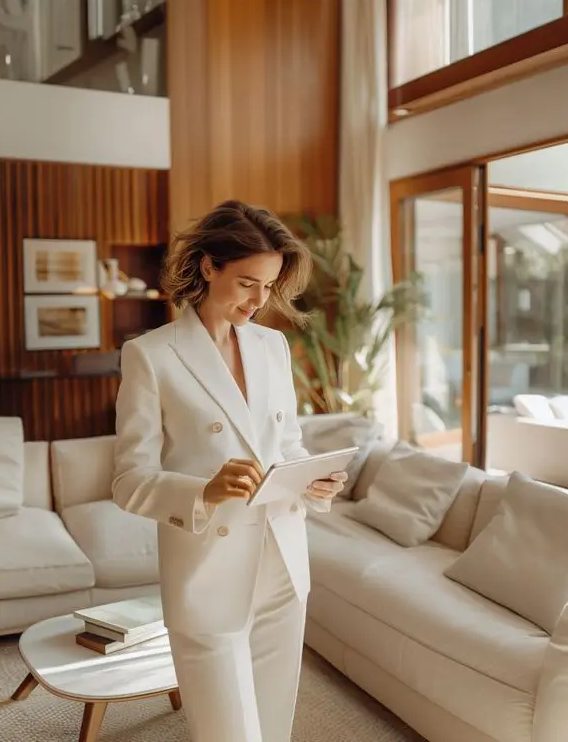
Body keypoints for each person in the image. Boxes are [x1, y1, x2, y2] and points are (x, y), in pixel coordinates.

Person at [111, 199, 347, 742]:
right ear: (208, 266)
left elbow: (286, 445)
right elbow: (128, 481)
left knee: (271, 724)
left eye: (268, 286)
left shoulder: (273, 346)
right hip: (207, 569)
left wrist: (311, 479)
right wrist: (204, 490)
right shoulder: (152, 355)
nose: (259, 301)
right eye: (246, 283)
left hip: (282, 561)